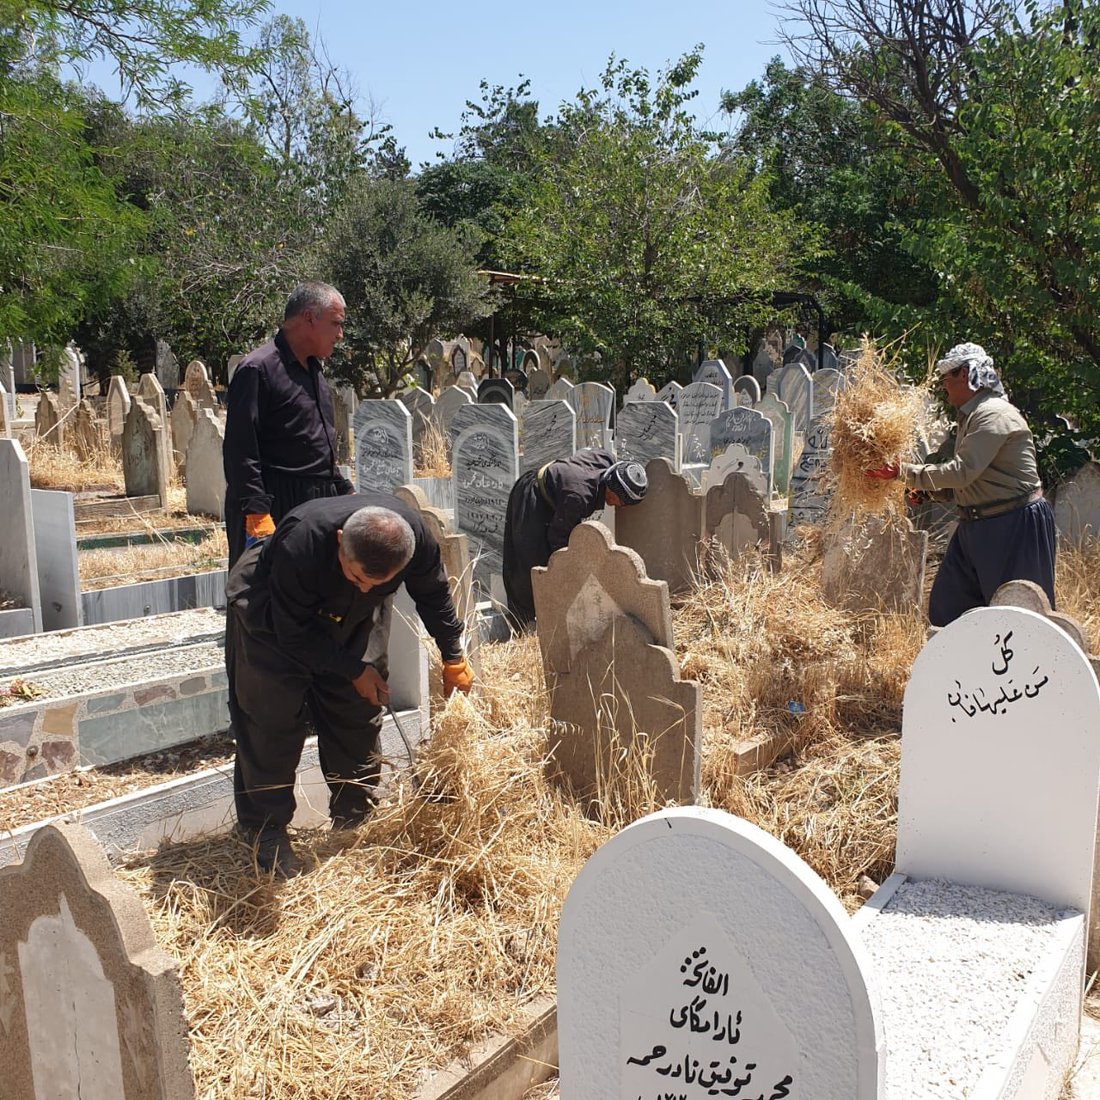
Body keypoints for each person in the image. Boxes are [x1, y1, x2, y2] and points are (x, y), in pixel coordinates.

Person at [226, 494, 475, 876]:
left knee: (357, 714)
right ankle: (266, 830)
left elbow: (433, 594)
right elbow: (292, 634)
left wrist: (453, 655)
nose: (362, 587)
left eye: (375, 583)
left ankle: (354, 814)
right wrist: (353, 670)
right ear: (341, 540)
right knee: (271, 721)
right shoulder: (302, 541)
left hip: (354, 619)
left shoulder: (414, 542)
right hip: (274, 619)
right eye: (356, 576)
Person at [866, 341, 1056, 627]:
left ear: (966, 374)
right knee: (949, 609)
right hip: (977, 526)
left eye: (947, 377)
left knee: (1019, 619)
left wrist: (903, 472)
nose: (944, 385)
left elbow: (964, 471)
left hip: (1013, 526)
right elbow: (976, 479)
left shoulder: (994, 414)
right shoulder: (974, 414)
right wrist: (929, 492)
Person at [223, 281, 354, 568]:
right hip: (274, 503)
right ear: (309, 317)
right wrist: (256, 511)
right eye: (336, 324)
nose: (340, 335)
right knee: (264, 600)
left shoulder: (314, 370)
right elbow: (240, 449)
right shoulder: (258, 369)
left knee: (310, 599)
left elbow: (315, 440)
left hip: (315, 502)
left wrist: (342, 487)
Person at [502, 449, 649, 627]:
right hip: (533, 498)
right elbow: (559, 542)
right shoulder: (579, 497)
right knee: (529, 566)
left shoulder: (607, 460)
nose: (622, 508)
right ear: (611, 491)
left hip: (557, 497)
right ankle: (524, 625)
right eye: (622, 502)